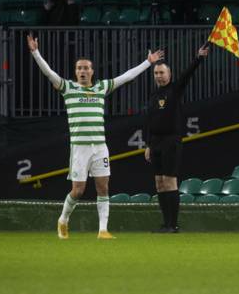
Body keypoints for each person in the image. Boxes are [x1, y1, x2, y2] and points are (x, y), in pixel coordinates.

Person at [26, 34, 164, 240]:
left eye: (86, 68)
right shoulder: (68, 88)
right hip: (79, 149)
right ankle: (63, 219)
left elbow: (126, 77)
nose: (82, 71)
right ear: (76, 72)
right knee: (78, 190)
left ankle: (103, 230)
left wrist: (147, 62)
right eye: (79, 68)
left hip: (100, 147)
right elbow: (49, 73)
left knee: (103, 186)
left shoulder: (101, 87)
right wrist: (35, 52)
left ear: (92, 71)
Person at [144, 44, 209, 233]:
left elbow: (187, 75)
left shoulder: (175, 89)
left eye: (162, 73)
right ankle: (165, 224)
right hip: (155, 142)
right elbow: (150, 120)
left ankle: (173, 224)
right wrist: (148, 144)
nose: (159, 76)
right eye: (156, 73)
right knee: (158, 182)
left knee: (169, 181)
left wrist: (198, 58)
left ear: (169, 74)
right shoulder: (154, 94)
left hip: (171, 141)